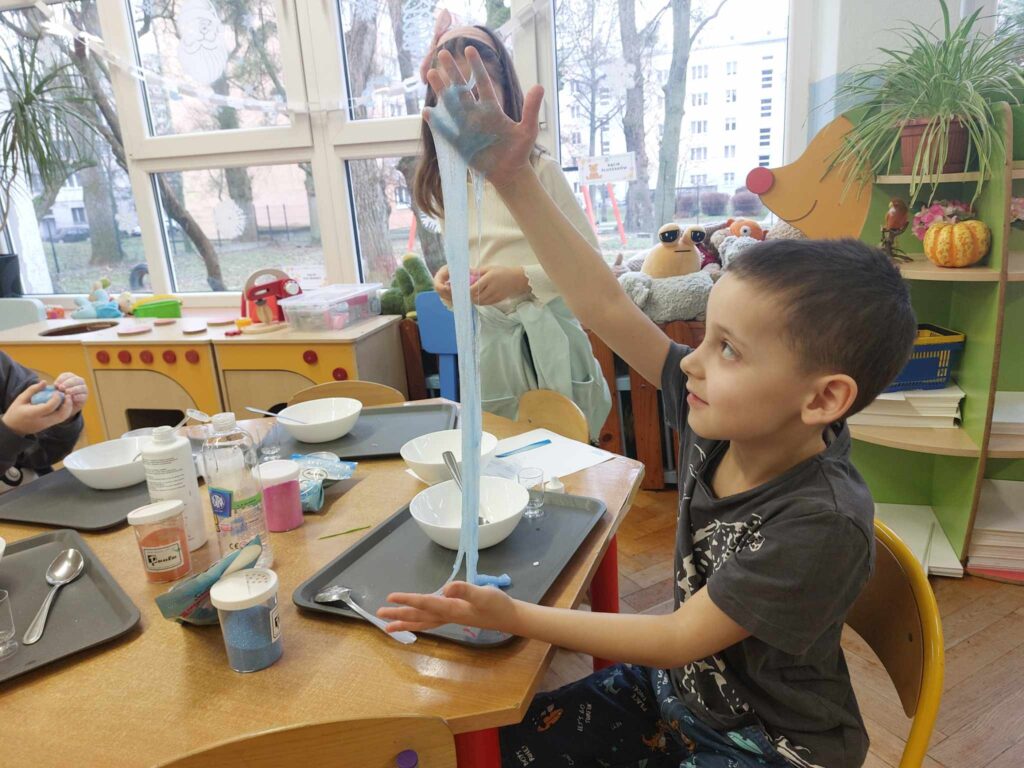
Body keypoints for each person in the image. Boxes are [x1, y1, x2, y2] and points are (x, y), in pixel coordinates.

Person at [379, 48, 919, 768]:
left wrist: (515, 617)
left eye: (728, 349)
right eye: (707, 338)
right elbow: (604, 303)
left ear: (823, 398)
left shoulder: (820, 519)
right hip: (679, 699)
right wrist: (512, 177)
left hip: (769, 748)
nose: (691, 361)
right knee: (499, 751)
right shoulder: (724, 420)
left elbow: (675, 637)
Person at [413, 18, 611, 439]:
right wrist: (450, 282)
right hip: (491, 347)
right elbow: (469, 263)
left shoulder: (540, 171)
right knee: (502, 449)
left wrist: (520, 279)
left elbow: (594, 268)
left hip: (550, 338)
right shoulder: (449, 184)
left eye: (478, 87)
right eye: (451, 92)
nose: (466, 104)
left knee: (571, 450)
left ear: (504, 93)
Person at [0, 351, 88, 494]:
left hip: (37, 494)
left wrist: (63, 416)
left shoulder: (3, 367)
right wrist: (10, 431)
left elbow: (43, 453)